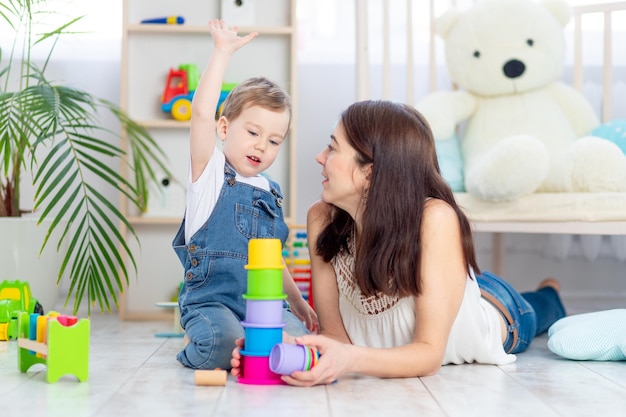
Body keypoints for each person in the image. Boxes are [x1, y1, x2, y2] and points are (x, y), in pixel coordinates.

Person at [230, 99, 566, 385]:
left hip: (499, 311)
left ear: (370, 172)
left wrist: (350, 360)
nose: (320, 157)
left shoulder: (435, 219)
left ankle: (551, 290)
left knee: (541, 307)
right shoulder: (321, 218)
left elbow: (428, 354)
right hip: (442, 284)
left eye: (332, 147)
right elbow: (336, 340)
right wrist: (287, 346)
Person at [172, 19, 317, 371]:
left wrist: (296, 302)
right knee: (220, 345)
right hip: (212, 303)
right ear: (225, 128)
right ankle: (209, 343)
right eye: (253, 131)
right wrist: (222, 53)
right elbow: (202, 115)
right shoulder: (209, 173)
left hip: (263, 304)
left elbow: (273, 259)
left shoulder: (270, 193)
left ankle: (251, 348)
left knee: (303, 347)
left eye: (273, 140)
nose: (261, 145)